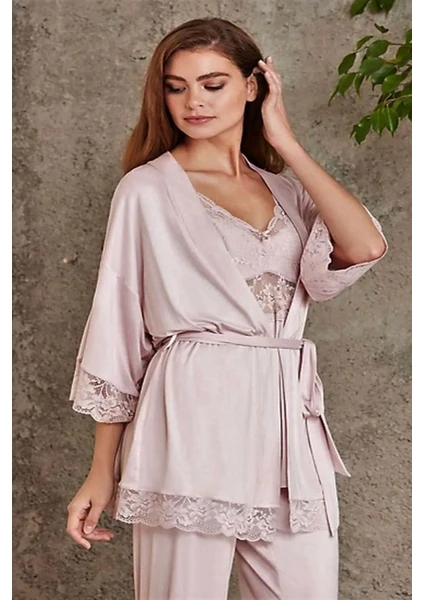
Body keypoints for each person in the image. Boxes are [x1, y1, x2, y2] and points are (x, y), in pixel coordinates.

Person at [65, 17, 388, 600]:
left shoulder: (287, 192)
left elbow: (363, 246)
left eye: (213, 84)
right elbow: (118, 328)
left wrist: (287, 144)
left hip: (288, 432)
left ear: (253, 86)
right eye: (176, 87)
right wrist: (100, 470)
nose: (193, 101)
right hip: (188, 422)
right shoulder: (145, 190)